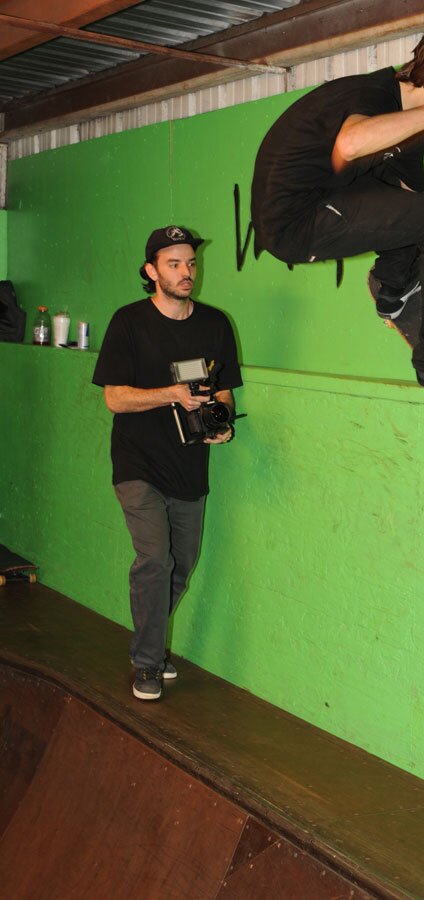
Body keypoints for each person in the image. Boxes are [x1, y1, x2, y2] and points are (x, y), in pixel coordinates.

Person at [251, 25, 424, 390]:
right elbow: (350, 143)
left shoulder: (409, 123)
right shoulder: (371, 94)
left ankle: (394, 287)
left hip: (326, 199)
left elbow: (410, 202)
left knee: (422, 210)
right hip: (294, 223)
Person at [92, 226, 242, 701]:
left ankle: (150, 643)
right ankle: (147, 663)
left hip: (189, 466)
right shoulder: (128, 322)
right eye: (173, 264)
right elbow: (115, 398)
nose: (185, 272)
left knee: (183, 564)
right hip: (137, 463)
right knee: (155, 559)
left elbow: (224, 392)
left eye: (190, 263)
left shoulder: (215, 324)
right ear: (151, 271)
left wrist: (222, 424)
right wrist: (171, 394)